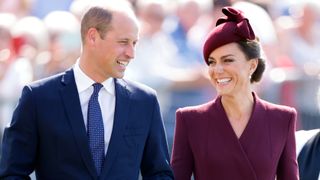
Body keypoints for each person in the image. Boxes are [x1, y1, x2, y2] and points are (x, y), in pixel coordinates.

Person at [0, 1, 174, 179]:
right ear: (92, 37)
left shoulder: (145, 101)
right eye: (123, 42)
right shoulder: (38, 98)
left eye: (134, 43)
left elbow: (159, 173)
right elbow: (12, 173)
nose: (131, 53)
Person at [171, 6, 299, 180]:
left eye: (228, 60)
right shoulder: (190, 119)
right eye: (212, 62)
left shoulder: (283, 118)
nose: (217, 70)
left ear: (252, 65)